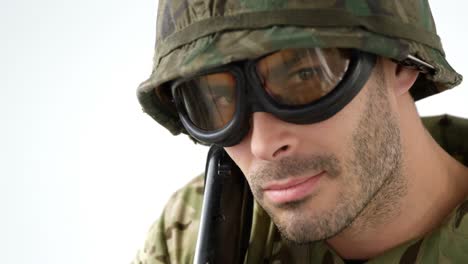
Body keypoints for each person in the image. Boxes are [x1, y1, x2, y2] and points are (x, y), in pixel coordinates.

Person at [133, 1, 468, 263]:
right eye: (219, 100)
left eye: (306, 77)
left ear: (401, 63)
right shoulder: (191, 231)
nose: (264, 144)